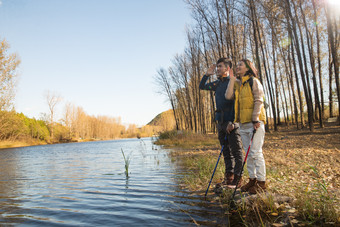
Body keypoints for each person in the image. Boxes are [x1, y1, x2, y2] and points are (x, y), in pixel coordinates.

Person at [199, 58, 244, 187]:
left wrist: (235, 123)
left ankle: (238, 180)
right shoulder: (217, 84)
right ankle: (229, 178)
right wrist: (207, 74)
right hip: (220, 122)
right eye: (217, 67)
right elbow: (202, 86)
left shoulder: (234, 83)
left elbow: (239, 104)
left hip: (232, 122)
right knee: (226, 152)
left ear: (227, 68)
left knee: (237, 152)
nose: (217, 69)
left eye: (220, 67)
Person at [225, 59, 267, 194]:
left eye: (240, 65)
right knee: (248, 155)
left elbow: (259, 100)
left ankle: (262, 183)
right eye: (237, 65)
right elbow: (228, 96)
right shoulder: (239, 84)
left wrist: (255, 118)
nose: (237, 66)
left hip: (255, 122)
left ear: (248, 68)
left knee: (256, 153)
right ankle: (252, 180)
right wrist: (231, 80)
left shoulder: (254, 81)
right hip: (243, 124)